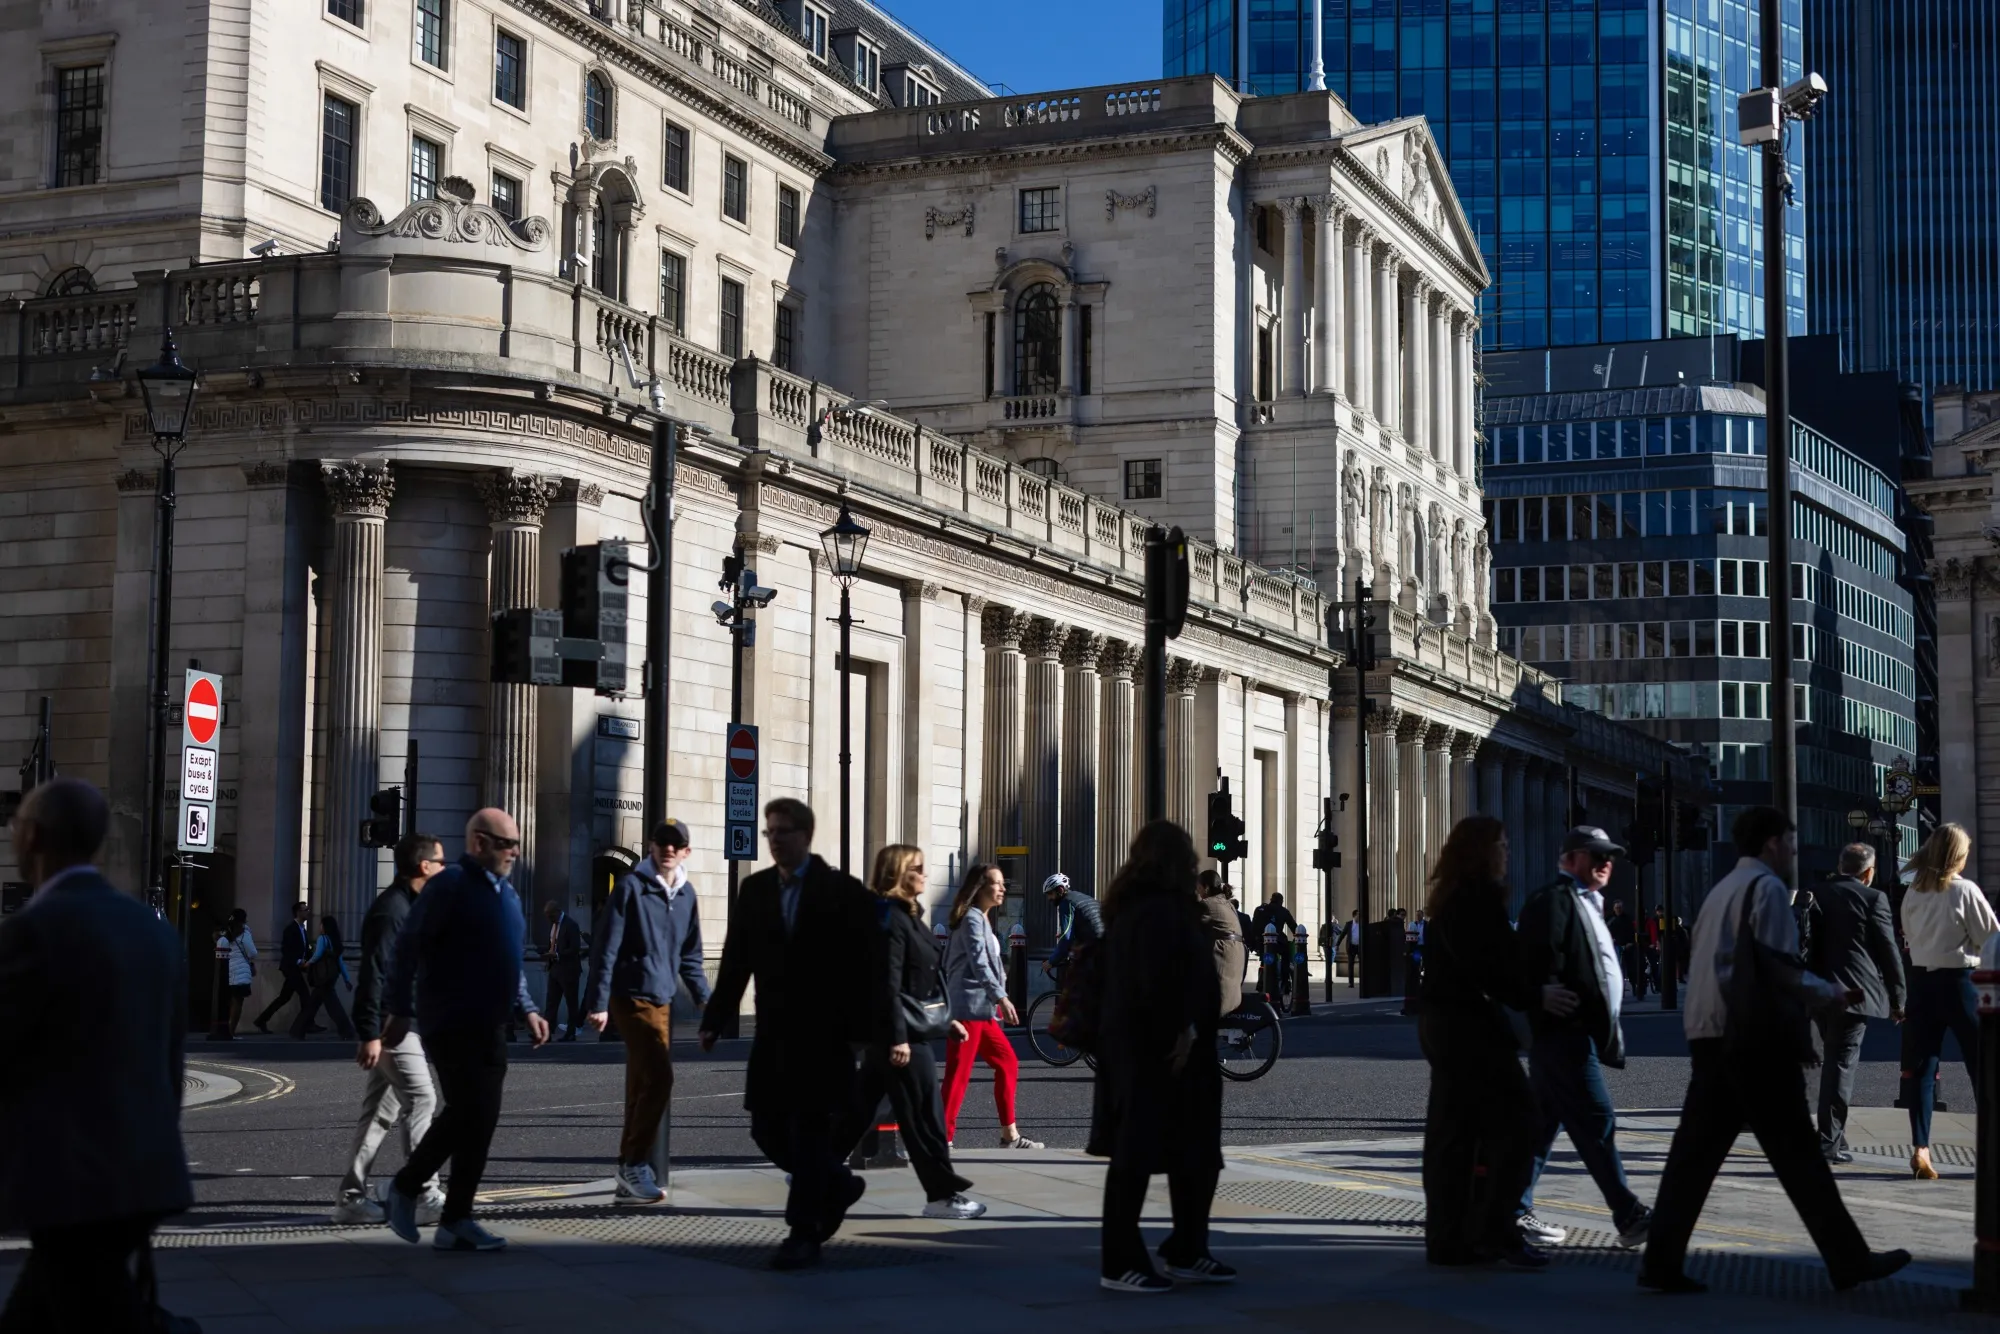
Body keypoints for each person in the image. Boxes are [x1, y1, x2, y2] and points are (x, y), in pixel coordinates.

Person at [1640, 805, 1910, 1294]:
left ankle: (1659, 1261)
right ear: (1771, 844)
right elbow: (1777, 965)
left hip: (1709, 1031)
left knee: (1694, 1158)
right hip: (1752, 1040)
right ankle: (1848, 1260)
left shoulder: (1721, 889)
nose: (1793, 852)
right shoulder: (1765, 890)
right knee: (1800, 1158)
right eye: (1789, 842)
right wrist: (1822, 998)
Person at [0, 779, 197, 1331]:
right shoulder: (153, 932)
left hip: (71, 1184)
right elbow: (170, 1068)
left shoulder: (31, 930)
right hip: (145, 1172)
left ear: (33, 836)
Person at [699, 798, 885, 1271]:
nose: (774, 839)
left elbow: (870, 968)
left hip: (825, 1037)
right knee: (766, 1128)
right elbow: (737, 957)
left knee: (808, 1131)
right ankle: (839, 1185)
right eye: (769, 832)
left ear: (806, 835)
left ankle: (802, 1234)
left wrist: (866, 1030)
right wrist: (716, 1016)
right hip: (773, 1033)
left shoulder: (842, 892)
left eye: (783, 831)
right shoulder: (757, 889)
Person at [380, 808, 550, 1252]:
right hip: (451, 1019)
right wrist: (398, 1008)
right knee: (469, 1109)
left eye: (516, 844)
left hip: (491, 1024)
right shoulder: (449, 886)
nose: (514, 852)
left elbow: (509, 962)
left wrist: (527, 1009)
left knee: (481, 1119)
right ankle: (406, 1186)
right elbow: (406, 947)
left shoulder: (507, 896)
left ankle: (456, 1217)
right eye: (505, 843)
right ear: (478, 842)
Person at [1418, 815, 1574, 1270]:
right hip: (1469, 1029)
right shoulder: (1475, 899)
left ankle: (1449, 1240)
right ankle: (1496, 1229)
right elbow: (1490, 965)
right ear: (1481, 851)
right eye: (1501, 846)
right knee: (1520, 1121)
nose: (1507, 853)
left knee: (1453, 1137)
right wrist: (1535, 994)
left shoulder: (1451, 898)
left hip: (1444, 1025)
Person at [1090, 820, 1230, 1294]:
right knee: (1135, 1158)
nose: (1195, 863)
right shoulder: (1153, 911)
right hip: (1158, 1053)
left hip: (1172, 1050)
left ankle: (1189, 1247)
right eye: (1188, 855)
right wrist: (1185, 1029)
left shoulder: (1154, 907)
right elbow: (1155, 983)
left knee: (1196, 1155)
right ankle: (1120, 1261)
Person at [1513, 827, 1651, 1251]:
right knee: (1597, 1121)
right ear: (1570, 859)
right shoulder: (1553, 901)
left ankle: (1510, 1210)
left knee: (1540, 1126)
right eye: (1596, 855)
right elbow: (1534, 961)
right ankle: (1629, 1215)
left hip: (1574, 1034)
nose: (1605, 862)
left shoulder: (1587, 902)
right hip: (1564, 1035)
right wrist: (1541, 995)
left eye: (1609, 856)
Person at [843, 844, 984, 1219]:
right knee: (925, 1116)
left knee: (859, 1110)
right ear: (897, 874)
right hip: (901, 1037)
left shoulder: (908, 914)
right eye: (917, 868)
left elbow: (919, 981)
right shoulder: (889, 917)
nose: (925, 873)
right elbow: (887, 984)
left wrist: (944, 1019)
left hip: (901, 1030)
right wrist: (899, 1036)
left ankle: (813, 1170)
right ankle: (941, 1196)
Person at [585, 819, 712, 1207]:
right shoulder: (631, 888)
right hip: (631, 997)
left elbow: (691, 957)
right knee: (660, 1079)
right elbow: (607, 946)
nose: (668, 849)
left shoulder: (686, 894)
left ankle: (627, 1172)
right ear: (652, 847)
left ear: (686, 851)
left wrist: (709, 1003)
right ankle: (635, 1162)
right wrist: (599, 1002)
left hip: (663, 999)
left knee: (641, 1087)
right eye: (662, 842)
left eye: (676, 844)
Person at [336, 831, 448, 1226]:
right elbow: (374, 974)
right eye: (440, 862)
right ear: (424, 866)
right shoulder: (393, 911)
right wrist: (368, 1032)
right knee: (422, 1099)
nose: (444, 868)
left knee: (379, 1115)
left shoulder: (413, 906)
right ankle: (423, 1194)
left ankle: (351, 1198)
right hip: (391, 1026)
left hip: (401, 1023)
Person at [1898, 822, 1995, 1180]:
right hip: (1961, 982)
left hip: (1922, 984)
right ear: (1957, 855)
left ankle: (1921, 1147)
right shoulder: (1965, 890)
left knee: (1922, 1070)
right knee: (1981, 1066)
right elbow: (1991, 939)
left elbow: (1908, 936)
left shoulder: (1914, 892)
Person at [1805, 844, 1906, 1164]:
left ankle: (1834, 1133)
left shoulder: (1815, 893)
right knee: (1840, 1066)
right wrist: (1898, 998)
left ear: (1840, 865)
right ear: (1869, 872)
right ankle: (1828, 1142)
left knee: (1828, 1063)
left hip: (1819, 992)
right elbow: (1888, 953)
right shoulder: (1873, 898)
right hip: (1855, 996)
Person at [941, 863, 1042, 1150]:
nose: (1002, 888)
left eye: (1002, 883)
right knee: (958, 1074)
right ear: (980, 888)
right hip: (967, 1009)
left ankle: (1009, 1135)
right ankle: (942, 1138)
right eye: (996, 883)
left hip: (981, 1010)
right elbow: (979, 962)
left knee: (1007, 1062)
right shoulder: (972, 919)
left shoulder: (980, 918)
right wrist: (1002, 997)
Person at [254, 899, 315, 1033]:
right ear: (298, 912)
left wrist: (310, 960)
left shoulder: (302, 930)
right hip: (291, 967)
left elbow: (305, 949)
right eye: (306, 910)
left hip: (295, 968)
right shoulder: (291, 929)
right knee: (305, 995)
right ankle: (306, 1024)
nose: (308, 912)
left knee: (284, 997)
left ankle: (261, 1020)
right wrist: (299, 961)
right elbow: (286, 950)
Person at [290, 914, 355, 1040]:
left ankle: (297, 1031)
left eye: (321, 924)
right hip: (330, 978)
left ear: (325, 926)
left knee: (322, 1007)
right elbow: (340, 962)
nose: (320, 926)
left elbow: (317, 955)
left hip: (321, 978)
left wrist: (307, 964)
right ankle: (298, 1030)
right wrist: (346, 979)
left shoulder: (322, 939)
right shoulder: (335, 941)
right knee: (315, 1005)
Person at [1197, 872, 1247, 1012]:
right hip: (1233, 958)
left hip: (1222, 960)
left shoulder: (1208, 904)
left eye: (1198, 888)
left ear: (1206, 888)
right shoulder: (1227, 904)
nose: (1197, 891)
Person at [1041, 871, 1103, 978]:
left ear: (1060, 890)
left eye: (1050, 894)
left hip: (1095, 950)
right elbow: (1088, 926)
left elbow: (1066, 937)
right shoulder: (1083, 897)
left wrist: (1051, 961)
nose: (1049, 898)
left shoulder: (1066, 902)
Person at [542, 900, 586, 1041]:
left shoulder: (571, 925)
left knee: (571, 1002)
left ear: (557, 911)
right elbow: (552, 943)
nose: (549, 919)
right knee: (551, 1002)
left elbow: (575, 948)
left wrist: (557, 954)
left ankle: (571, 1032)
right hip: (555, 968)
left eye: (550, 915)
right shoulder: (553, 925)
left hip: (569, 970)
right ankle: (547, 1032)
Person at [217, 909, 257, 1037]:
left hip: (227, 970)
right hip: (240, 972)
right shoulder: (244, 933)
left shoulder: (225, 932)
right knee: (238, 1002)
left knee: (229, 1001)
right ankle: (231, 1031)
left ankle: (225, 1029)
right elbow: (252, 952)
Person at [1606, 899, 1639, 1000]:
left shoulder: (1627, 919)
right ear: (1614, 908)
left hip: (1627, 946)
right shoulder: (1610, 919)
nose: (1618, 910)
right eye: (1616, 908)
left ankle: (1634, 986)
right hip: (1615, 946)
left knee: (1630, 968)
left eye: (1619, 908)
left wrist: (1631, 942)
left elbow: (1632, 932)